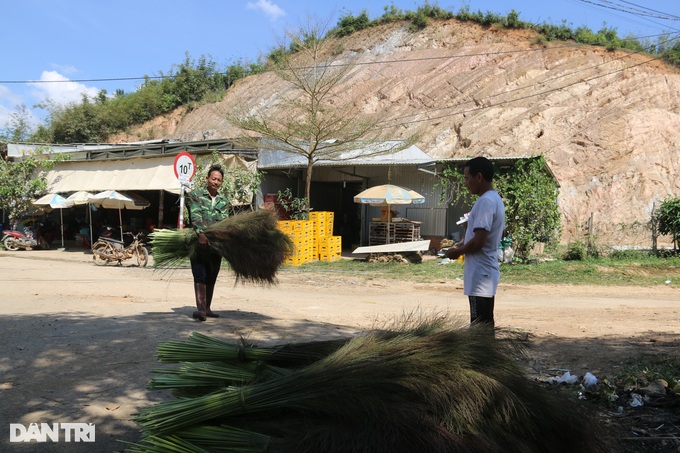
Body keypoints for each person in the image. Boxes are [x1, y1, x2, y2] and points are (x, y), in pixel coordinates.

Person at [445, 157, 505, 335]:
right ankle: (488, 361)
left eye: (466, 178)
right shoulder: (495, 199)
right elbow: (497, 233)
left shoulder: (486, 201)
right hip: (486, 271)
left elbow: (479, 242)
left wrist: (457, 251)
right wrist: (466, 241)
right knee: (485, 325)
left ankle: (482, 362)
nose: (465, 183)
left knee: (479, 329)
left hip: (480, 274)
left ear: (479, 177)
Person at [187, 164, 230, 321]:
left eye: (219, 180)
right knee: (200, 275)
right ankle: (201, 309)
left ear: (221, 182)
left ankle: (208, 308)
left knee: (212, 276)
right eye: (213, 179)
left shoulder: (223, 201)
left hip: (216, 246)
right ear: (207, 179)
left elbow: (225, 221)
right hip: (199, 244)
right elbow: (195, 215)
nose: (216, 182)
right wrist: (201, 234)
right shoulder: (196, 195)